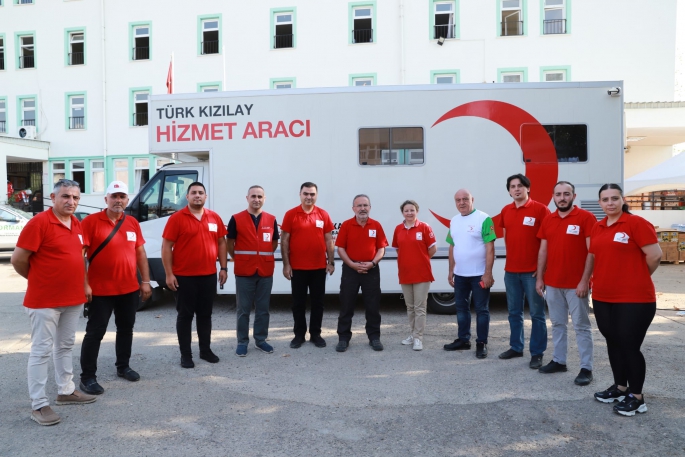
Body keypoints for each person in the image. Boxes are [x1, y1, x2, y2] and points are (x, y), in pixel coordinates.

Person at [11, 179, 97, 426]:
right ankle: (39, 405)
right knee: (41, 351)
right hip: (45, 300)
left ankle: (66, 390)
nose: (71, 201)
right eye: (66, 196)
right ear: (53, 197)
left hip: (73, 297)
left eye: (75, 197)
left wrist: (85, 284)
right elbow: (18, 259)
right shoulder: (39, 223)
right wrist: (38, 279)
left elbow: (80, 258)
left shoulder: (76, 223)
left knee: (65, 346)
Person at [590, 183, 662, 416]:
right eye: (605, 199)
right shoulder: (598, 226)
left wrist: (638, 276)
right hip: (603, 296)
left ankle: (637, 397)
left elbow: (655, 256)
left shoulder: (636, 223)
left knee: (629, 345)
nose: (610, 203)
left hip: (634, 298)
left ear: (623, 200)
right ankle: (620, 387)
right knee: (613, 342)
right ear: (600, 203)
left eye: (614, 198)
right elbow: (595, 256)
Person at [78, 181, 152, 395]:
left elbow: (140, 253)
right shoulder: (90, 222)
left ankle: (123, 367)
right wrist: (84, 284)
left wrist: (145, 281)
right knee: (95, 333)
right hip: (100, 290)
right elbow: (80, 256)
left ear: (127, 200)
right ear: (106, 199)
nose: (118, 200)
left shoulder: (132, 222)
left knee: (126, 329)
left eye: (122, 197)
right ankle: (87, 377)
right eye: (114, 196)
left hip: (128, 289)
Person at [535, 181, 596, 386]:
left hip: (576, 285)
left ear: (574, 196)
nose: (562, 198)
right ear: (553, 197)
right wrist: (540, 278)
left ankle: (586, 368)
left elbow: (592, 252)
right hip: (552, 283)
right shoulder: (548, 219)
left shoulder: (586, 217)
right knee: (558, 324)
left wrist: (585, 281)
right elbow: (543, 251)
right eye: (558, 194)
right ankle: (559, 361)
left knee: (581, 326)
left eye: (566, 194)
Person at [162, 182, 228, 368]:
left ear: (206, 196)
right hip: (184, 277)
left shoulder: (214, 217)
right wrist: (169, 274)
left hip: (208, 276)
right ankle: (186, 355)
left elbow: (221, 243)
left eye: (200, 193)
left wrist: (223, 268)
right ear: (187, 197)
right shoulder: (177, 218)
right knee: (185, 316)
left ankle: (205, 351)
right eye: (193, 193)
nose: (197, 195)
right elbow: (166, 247)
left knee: (205, 315)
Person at [498, 173, 551, 369]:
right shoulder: (506, 210)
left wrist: (542, 270)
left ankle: (537, 353)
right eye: (512, 186)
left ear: (528, 188)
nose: (516, 189)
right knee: (514, 312)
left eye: (520, 185)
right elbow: (507, 238)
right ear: (509, 191)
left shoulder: (540, 209)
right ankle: (516, 347)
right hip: (511, 272)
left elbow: (548, 241)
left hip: (532, 273)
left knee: (537, 314)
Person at [226, 185, 279, 357]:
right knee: (243, 310)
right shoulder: (236, 218)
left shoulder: (271, 219)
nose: (257, 199)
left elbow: (273, 243)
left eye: (260, 196)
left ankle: (260, 340)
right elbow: (229, 243)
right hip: (244, 271)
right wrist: (240, 258)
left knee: (263, 309)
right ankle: (242, 342)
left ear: (264, 199)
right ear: (247, 198)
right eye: (253, 196)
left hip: (265, 270)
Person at [281, 182, 335, 349]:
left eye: (312, 194)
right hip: (297, 268)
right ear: (300, 194)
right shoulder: (291, 214)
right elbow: (284, 240)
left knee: (318, 303)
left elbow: (329, 240)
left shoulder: (323, 214)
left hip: (319, 268)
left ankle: (315, 334)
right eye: (306, 193)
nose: (309, 197)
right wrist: (286, 265)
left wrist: (331, 262)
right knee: (298, 304)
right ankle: (299, 335)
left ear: (316, 195)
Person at [443, 189, 496, 359]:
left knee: (482, 310)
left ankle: (482, 343)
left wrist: (488, 273)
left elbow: (490, 248)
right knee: (461, 309)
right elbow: (452, 246)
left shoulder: (484, 218)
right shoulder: (454, 220)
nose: (462, 203)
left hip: (479, 274)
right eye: (458, 200)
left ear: (472, 199)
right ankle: (463, 339)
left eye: (465, 199)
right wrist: (451, 270)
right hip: (460, 275)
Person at [334, 194, 388, 353]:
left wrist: (372, 263)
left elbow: (381, 249)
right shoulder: (346, 225)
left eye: (365, 205)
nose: (362, 208)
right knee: (346, 305)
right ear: (353, 208)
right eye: (359, 205)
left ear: (370, 208)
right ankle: (343, 338)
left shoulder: (376, 225)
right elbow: (340, 249)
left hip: (371, 270)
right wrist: (352, 264)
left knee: (373, 306)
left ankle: (374, 337)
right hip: (350, 270)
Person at [391, 200, 436, 351]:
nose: (409, 213)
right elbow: (398, 249)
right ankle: (413, 334)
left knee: (420, 307)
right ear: (402, 213)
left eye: (412, 210)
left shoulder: (424, 227)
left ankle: (418, 338)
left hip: (422, 274)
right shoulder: (398, 229)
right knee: (410, 307)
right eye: (406, 210)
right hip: (405, 273)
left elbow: (433, 249)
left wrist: (421, 260)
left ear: (417, 211)